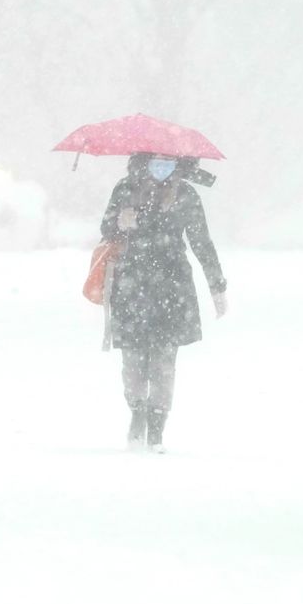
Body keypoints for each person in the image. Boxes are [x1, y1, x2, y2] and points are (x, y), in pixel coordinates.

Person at [99, 153, 228, 453]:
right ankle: (137, 414)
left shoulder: (186, 194)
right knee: (132, 359)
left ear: (178, 165)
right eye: (156, 162)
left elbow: (201, 241)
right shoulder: (125, 189)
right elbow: (106, 230)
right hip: (132, 284)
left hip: (172, 287)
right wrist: (120, 222)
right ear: (143, 163)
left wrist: (217, 285)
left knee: (163, 362)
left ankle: (156, 429)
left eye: (168, 163)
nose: (161, 169)